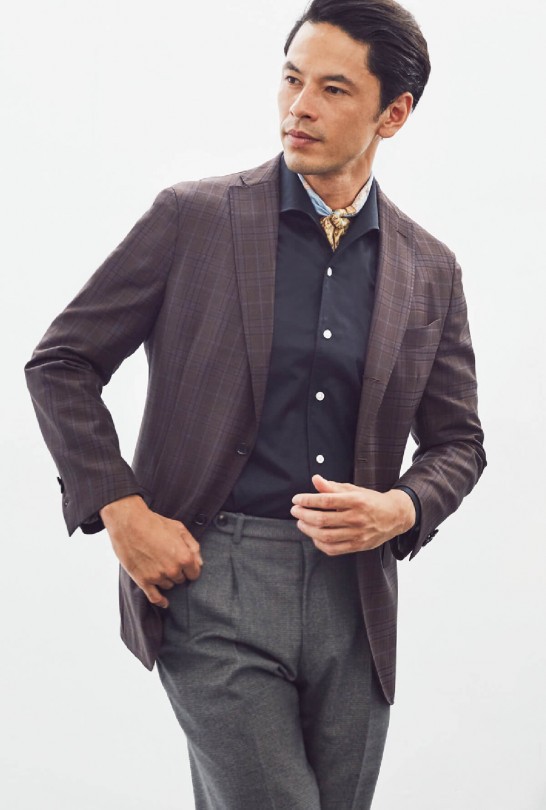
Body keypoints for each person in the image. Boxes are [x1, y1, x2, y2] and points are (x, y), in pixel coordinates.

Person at [25, 0, 486, 807]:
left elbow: (459, 442)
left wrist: (403, 508)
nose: (299, 106)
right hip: (214, 576)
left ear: (394, 114)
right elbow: (63, 362)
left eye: (333, 89)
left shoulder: (430, 268)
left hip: (357, 599)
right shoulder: (194, 218)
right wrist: (122, 512)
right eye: (291, 79)